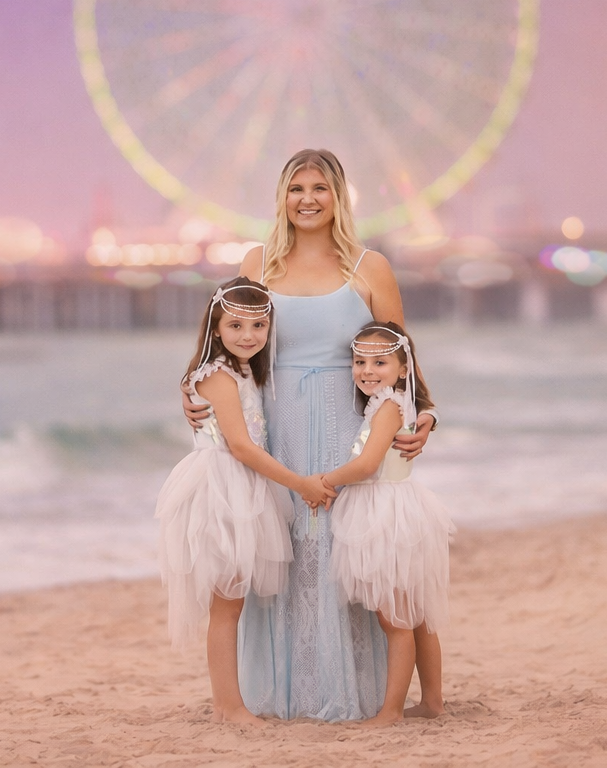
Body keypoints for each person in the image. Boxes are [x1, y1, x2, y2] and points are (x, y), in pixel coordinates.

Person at [182, 150, 442, 721]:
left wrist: (425, 413)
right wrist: (193, 388)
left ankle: (370, 694)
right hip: (275, 433)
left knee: (347, 556)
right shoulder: (258, 262)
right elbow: (227, 343)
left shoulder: (369, 267)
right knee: (283, 553)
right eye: (295, 188)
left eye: (319, 188)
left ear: (339, 197)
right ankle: (280, 692)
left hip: (350, 432)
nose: (307, 198)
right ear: (281, 196)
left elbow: (402, 354)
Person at [156, 277, 334, 726]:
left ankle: (230, 702)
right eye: (235, 326)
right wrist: (299, 484)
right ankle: (227, 707)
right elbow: (239, 445)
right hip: (223, 489)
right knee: (227, 602)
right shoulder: (216, 374)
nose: (248, 336)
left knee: (231, 601)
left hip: (244, 488)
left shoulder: (241, 371)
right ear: (215, 330)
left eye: (258, 326)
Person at [324, 321, 455, 726]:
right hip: (398, 506)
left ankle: (391, 711)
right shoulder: (393, 401)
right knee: (415, 615)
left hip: (384, 513)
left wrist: (324, 482)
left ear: (403, 368)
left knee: (394, 619)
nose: (366, 370)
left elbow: (366, 465)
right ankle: (432, 701)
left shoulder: (386, 405)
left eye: (380, 362)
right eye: (359, 361)